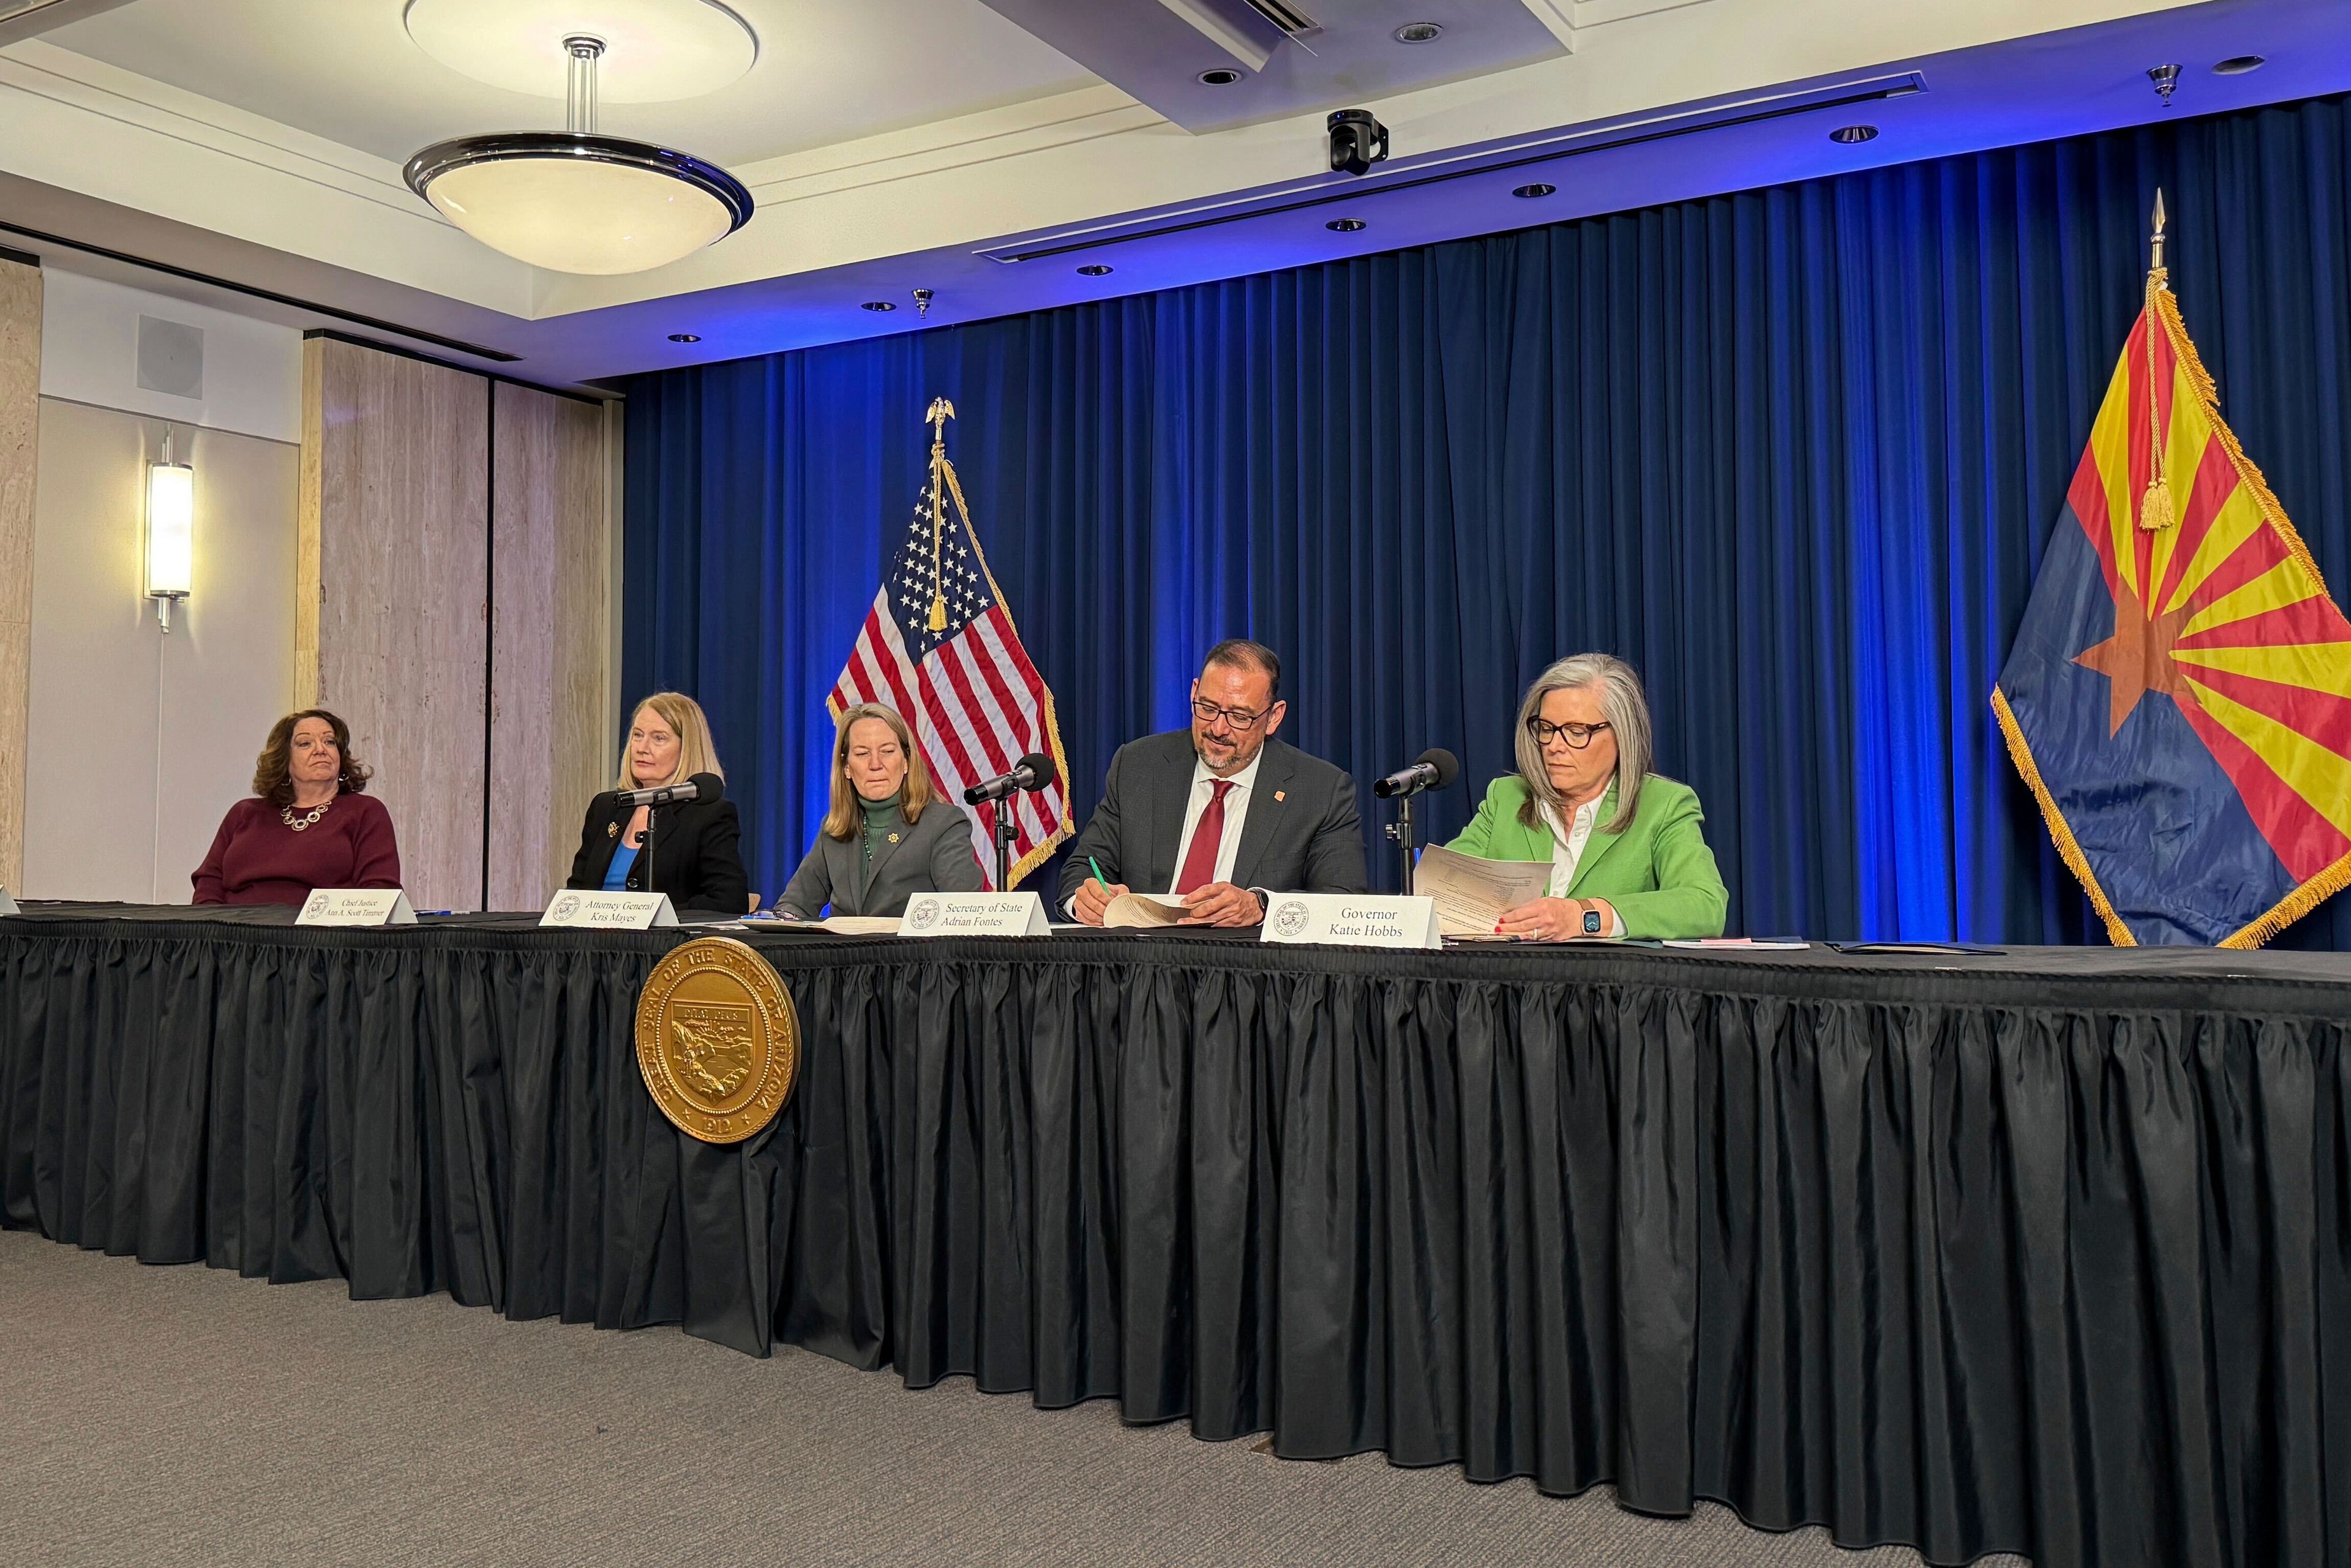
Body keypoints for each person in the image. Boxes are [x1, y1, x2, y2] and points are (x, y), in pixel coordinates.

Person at [1060, 639, 1368, 927]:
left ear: (1274, 717)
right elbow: (1082, 869)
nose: (1218, 729)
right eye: (1207, 708)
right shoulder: (1139, 765)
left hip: (1247, 972)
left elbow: (1341, 902)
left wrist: (1261, 907)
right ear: (1194, 692)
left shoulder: (1321, 790)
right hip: (1141, 967)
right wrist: (1085, 899)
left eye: (1239, 716)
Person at [1445, 653, 1728, 940]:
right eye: (1546, 729)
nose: (1554, 746)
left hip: (1608, 984)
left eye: (1576, 732)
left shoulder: (1664, 805)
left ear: (1622, 735)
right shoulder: (1506, 798)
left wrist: (1583, 916)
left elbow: (1705, 906)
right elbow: (1442, 889)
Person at [774, 703, 983, 918]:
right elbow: (795, 904)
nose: (875, 764)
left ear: (906, 762)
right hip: (842, 952)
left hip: (913, 951)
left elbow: (963, 913)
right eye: (863, 753)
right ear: (846, 767)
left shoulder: (943, 824)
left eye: (887, 751)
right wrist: (782, 919)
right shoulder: (835, 828)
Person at [566, 692, 750, 915]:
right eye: (638, 735)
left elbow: (728, 902)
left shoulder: (710, 815)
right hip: (592, 946)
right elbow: (576, 891)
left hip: (664, 947)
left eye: (659, 738)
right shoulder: (606, 807)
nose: (642, 748)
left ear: (686, 749)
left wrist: (650, 916)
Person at [192, 709, 401, 905]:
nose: (321, 750)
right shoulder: (244, 813)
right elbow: (209, 882)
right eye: (305, 744)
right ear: (284, 760)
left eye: (330, 742)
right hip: (234, 936)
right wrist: (211, 933)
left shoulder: (365, 811)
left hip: (320, 937)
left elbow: (379, 892)